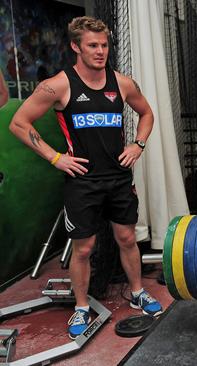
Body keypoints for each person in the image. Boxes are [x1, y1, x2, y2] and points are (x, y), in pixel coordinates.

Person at [9, 16, 163, 339]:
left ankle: (137, 292)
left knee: (127, 238)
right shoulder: (58, 85)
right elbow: (20, 123)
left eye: (104, 45)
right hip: (83, 181)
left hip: (119, 178)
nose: (100, 51)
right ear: (76, 47)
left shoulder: (121, 83)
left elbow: (147, 113)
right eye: (93, 45)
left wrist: (138, 144)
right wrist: (55, 157)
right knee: (83, 248)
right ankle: (81, 306)